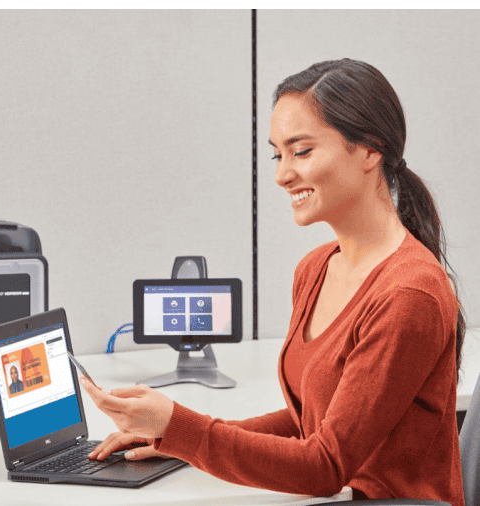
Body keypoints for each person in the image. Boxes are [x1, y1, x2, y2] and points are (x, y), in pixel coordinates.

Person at [80, 59, 466, 505]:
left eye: (301, 152)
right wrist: (176, 439)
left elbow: (324, 466)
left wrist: (180, 428)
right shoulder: (316, 268)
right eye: (277, 154)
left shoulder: (407, 294)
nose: (283, 174)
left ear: (369, 150)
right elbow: (310, 422)